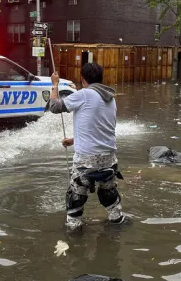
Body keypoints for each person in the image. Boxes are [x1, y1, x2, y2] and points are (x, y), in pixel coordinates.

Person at [49, 63, 125, 231]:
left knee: (75, 199)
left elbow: (54, 107)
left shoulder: (83, 94)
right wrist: (75, 140)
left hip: (86, 161)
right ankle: (116, 223)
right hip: (109, 159)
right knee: (110, 196)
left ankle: (74, 234)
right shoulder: (110, 98)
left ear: (83, 80)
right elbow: (101, 128)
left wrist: (55, 84)